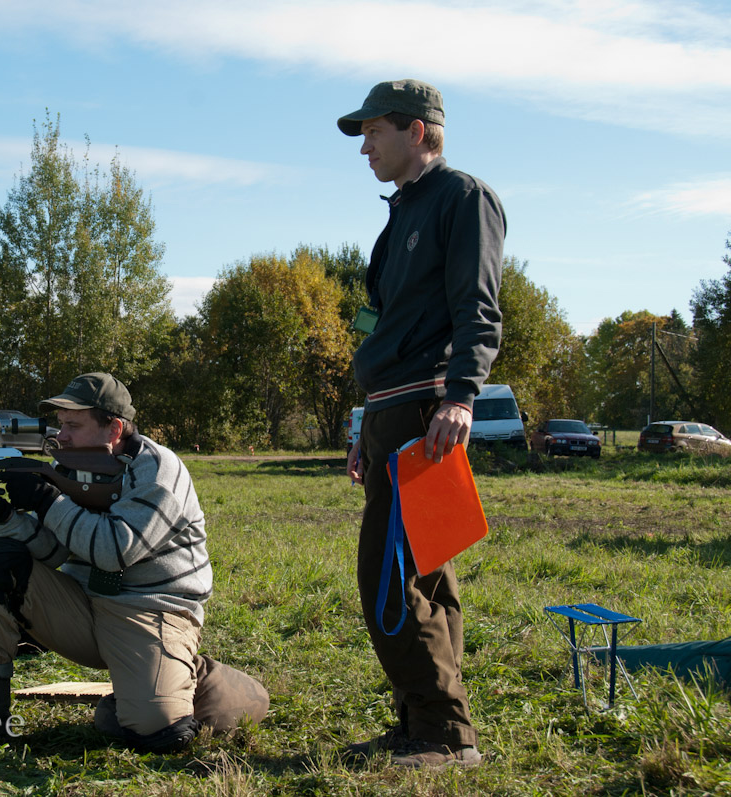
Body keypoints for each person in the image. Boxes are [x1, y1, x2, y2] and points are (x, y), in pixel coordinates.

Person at [0, 372, 268, 751]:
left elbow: (115, 551)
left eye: (73, 425)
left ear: (114, 429)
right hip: (83, 604)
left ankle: (197, 677)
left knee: (157, 731)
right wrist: (1, 515)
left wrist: (48, 501)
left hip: (152, 611)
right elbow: (53, 552)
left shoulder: (158, 470)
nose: (60, 436)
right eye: (60, 425)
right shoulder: (72, 469)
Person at [338, 79, 505, 769]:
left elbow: (479, 308)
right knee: (425, 575)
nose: (365, 147)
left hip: (424, 413)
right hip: (389, 414)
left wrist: (462, 396)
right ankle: (421, 722)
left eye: (374, 131)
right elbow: (383, 327)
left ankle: (444, 732)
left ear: (417, 131)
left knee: (387, 575)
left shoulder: (462, 198)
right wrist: (361, 424)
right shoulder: (400, 212)